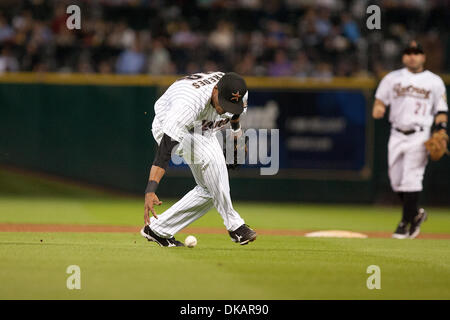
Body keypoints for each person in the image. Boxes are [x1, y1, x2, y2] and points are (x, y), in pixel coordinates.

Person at [141, 71, 257, 247]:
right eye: (224, 103)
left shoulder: (238, 92)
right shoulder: (188, 104)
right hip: (167, 127)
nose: (225, 109)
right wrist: (150, 189)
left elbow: (235, 114)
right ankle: (235, 226)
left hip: (203, 129)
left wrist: (236, 135)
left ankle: (158, 230)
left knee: (210, 189)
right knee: (212, 158)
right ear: (215, 90)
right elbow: (164, 150)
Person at [372, 41, 448, 239]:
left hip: (420, 135)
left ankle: (404, 223)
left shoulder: (434, 81)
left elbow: (441, 110)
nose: (412, 56)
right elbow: (380, 100)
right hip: (396, 134)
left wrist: (441, 129)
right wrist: (378, 108)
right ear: (403, 56)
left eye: (416, 53)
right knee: (396, 181)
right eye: (408, 52)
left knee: (411, 178)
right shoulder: (391, 78)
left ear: (423, 57)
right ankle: (415, 215)